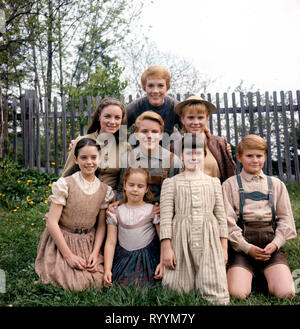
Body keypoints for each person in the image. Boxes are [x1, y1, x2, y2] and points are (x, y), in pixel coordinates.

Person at [222, 134, 297, 299]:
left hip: (270, 247)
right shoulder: (230, 185)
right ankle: (249, 274)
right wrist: (246, 247)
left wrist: (276, 244)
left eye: (259, 156)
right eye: (249, 156)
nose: (255, 160)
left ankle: (266, 273)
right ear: (239, 157)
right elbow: (227, 223)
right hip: (241, 248)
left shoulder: (277, 185)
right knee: (237, 293)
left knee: (286, 293)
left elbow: (286, 221)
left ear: (265, 157)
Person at [35, 138, 115, 291]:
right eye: (83, 158)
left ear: (100, 159)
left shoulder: (105, 190)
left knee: (96, 281)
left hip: (88, 242)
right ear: (76, 160)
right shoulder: (65, 184)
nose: (89, 162)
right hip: (64, 239)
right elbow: (51, 222)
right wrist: (68, 256)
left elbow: (100, 226)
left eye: (93, 157)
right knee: (73, 283)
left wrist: (95, 252)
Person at [160, 133, 230, 305]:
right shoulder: (171, 183)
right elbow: (166, 217)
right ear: (181, 156)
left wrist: (224, 246)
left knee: (215, 292)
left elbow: (221, 216)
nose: (193, 157)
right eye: (188, 153)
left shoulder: (214, 182)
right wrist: (166, 247)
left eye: (198, 153)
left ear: (204, 156)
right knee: (177, 291)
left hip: (209, 237)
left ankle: (209, 290)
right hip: (181, 237)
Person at [104, 167, 163, 287]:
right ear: (124, 185)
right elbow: (110, 242)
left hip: (146, 258)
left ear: (146, 189)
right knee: (120, 284)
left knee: (146, 285)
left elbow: (162, 239)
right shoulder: (116, 212)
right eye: (131, 185)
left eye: (140, 186)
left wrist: (162, 263)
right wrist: (107, 269)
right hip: (124, 257)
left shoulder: (152, 211)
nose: (135, 189)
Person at [63, 97, 131, 191]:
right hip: (81, 197)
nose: (112, 122)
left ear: (121, 120)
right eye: (107, 116)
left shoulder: (125, 147)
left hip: (111, 201)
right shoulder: (81, 141)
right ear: (99, 117)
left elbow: (127, 181)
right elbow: (66, 176)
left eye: (117, 118)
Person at [116, 110, 181, 203]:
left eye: (154, 132)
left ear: (161, 135)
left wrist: (165, 208)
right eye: (144, 131)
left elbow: (178, 194)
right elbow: (121, 190)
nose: (149, 136)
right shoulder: (127, 159)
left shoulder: (173, 161)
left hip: (162, 214)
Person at [173, 95, 236, 183]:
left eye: (200, 117)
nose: (195, 122)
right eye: (190, 117)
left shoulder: (219, 143)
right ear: (182, 119)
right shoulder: (174, 147)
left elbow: (230, 175)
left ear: (207, 119)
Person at [126, 65, 182, 142]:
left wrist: (179, 145)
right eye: (151, 86)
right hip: (141, 148)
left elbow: (190, 129)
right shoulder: (136, 107)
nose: (155, 91)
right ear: (144, 87)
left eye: (160, 86)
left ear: (167, 87)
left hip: (168, 148)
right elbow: (118, 127)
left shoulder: (175, 107)